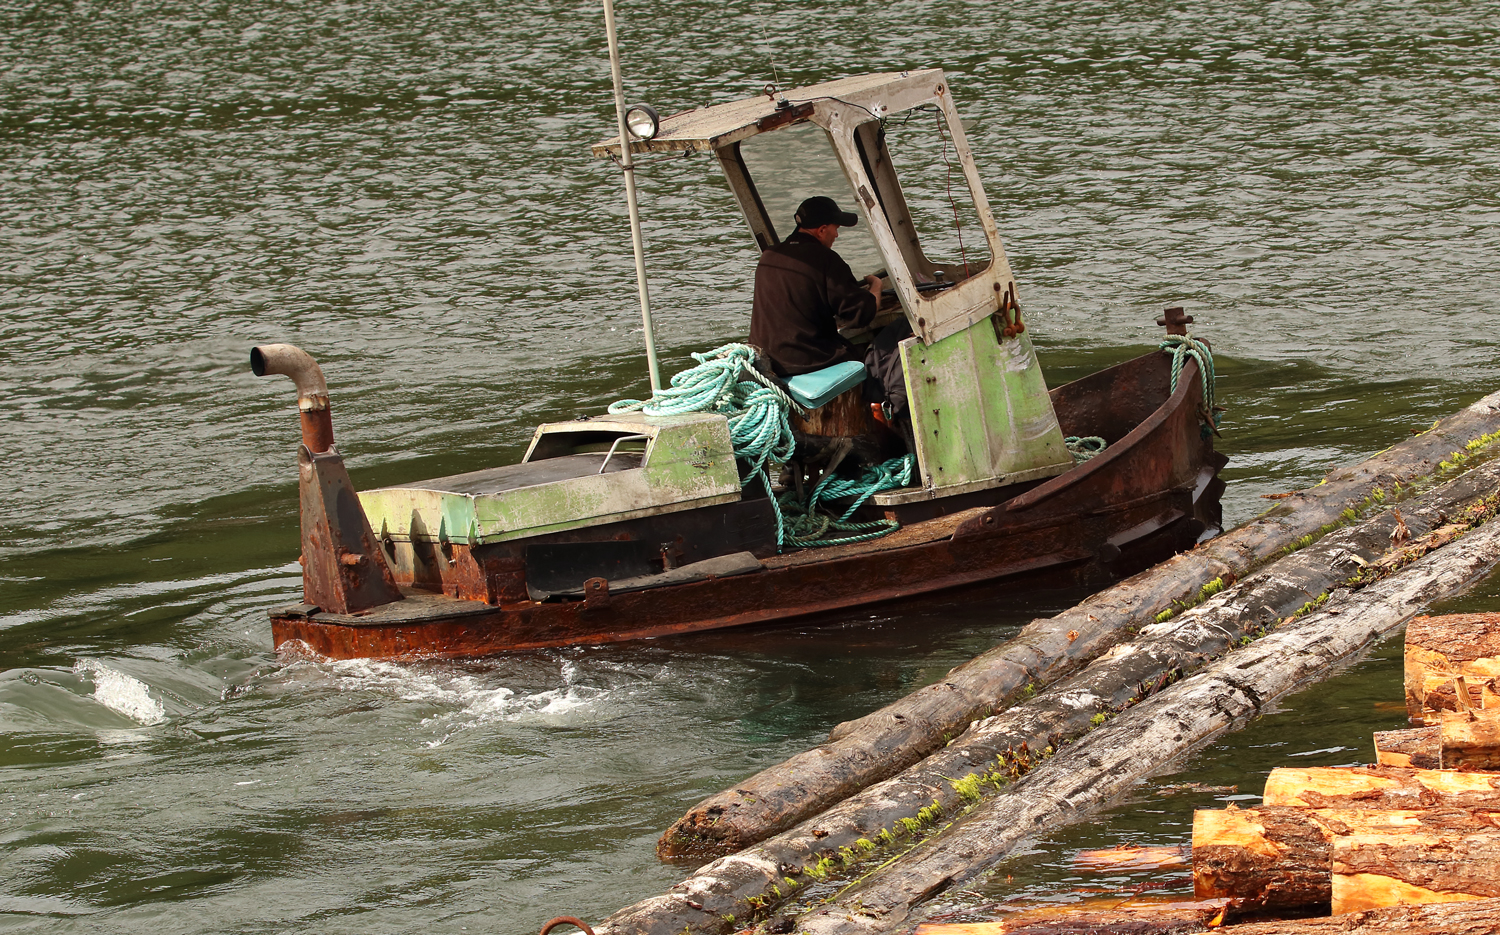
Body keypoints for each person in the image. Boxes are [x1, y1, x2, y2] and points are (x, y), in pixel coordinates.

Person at [749, 196, 912, 421]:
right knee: (894, 336)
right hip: (807, 360)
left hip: (769, 359)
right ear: (822, 230)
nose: (837, 234)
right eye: (836, 228)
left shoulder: (769, 257)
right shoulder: (825, 259)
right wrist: (876, 287)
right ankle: (885, 417)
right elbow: (861, 314)